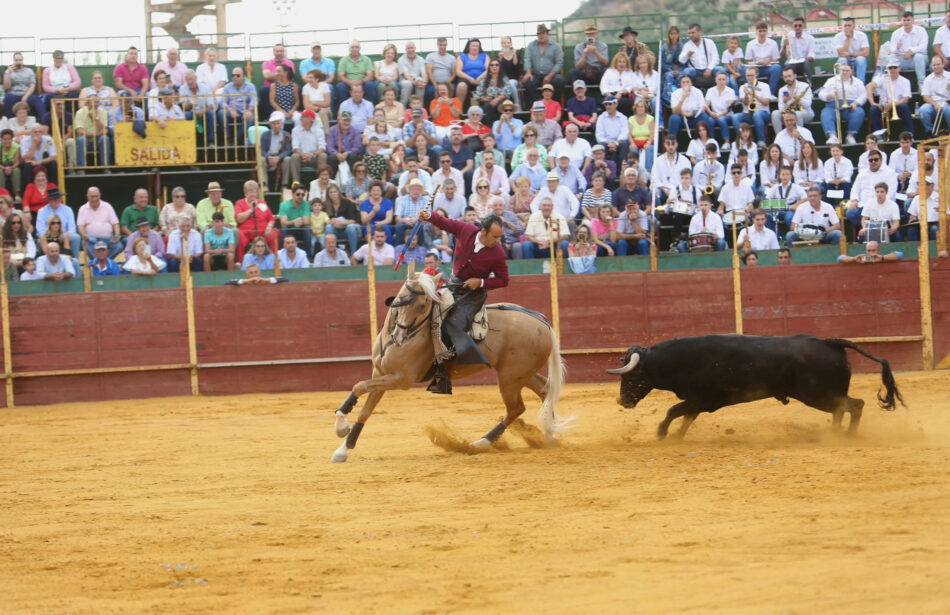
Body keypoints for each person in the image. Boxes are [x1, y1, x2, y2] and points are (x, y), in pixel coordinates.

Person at [417, 204, 509, 393]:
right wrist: (428, 216)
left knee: (453, 324)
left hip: (473, 295)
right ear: (483, 231)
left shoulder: (498, 252)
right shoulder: (466, 230)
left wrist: (481, 282)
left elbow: (504, 280)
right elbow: (444, 222)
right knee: (429, 311)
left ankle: (444, 377)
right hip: (454, 284)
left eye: (500, 237)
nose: (498, 241)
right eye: (495, 236)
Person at [818, 62, 866, 145]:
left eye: (847, 71)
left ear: (851, 71)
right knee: (825, 113)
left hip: (850, 107)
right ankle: (832, 137)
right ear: (840, 71)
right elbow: (821, 93)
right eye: (843, 70)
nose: (845, 73)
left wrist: (856, 103)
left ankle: (850, 136)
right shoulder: (831, 81)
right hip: (833, 106)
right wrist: (829, 96)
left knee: (859, 112)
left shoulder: (858, 82)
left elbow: (863, 95)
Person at [521, 24, 565, 106]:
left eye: (543, 33)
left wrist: (550, 76)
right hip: (535, 74)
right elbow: (527, 59)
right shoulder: (531, 45)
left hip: (552, 74)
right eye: (539, 34)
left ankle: (553, 104)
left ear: (547, 34)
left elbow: (559, 62)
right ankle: (539, 104)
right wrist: (528, 72)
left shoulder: (556, 46)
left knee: (559, 80)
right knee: (527, 82)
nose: (541, 36)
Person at [868, 58, 913, 134]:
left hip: (898, 106)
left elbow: (906, 99)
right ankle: (878, 135)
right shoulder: (882, 79)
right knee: (873, 110)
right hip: (884, 107)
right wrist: (873, 103)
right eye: (890, 68)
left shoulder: (905, 81)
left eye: (895, 67)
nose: (892, 70)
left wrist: (892, 104)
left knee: (905, 107)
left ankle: (909, 133)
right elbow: (869, 86)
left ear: (899, 69)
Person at [733, 66, 773, 147]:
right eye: (748, 75)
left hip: (763, 113)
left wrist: (754, 94)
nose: (750, 77)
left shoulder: (764, 86)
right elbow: (745, 103)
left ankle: (762, 140)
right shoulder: (743, 87)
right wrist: (746, 95)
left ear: (756, 75)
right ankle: (743, 140)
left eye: (752, 75)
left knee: (757, 114)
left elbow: (766, 102)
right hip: (748, 113)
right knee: (735, 117)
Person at [234, 180, 276, 257]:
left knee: (274, 233)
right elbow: (239, 219)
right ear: (245, 194)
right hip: (246, 232)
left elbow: (271, 218)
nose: (253, 194)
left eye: (255, 192)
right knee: (239, 235)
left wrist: (269, 226)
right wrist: (251, 210)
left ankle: (274, 259)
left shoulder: (262, 203)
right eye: (250, 192)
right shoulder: (239, 203)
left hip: (262, 232)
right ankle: (239, 262)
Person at [287, 109, 327, 189]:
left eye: (304, 117)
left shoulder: (319, 131)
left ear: (310, 119)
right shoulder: (295, 130)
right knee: (295, 156)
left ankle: (321, 181)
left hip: (314, 158)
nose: (301, 118)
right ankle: (296, 183)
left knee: (323, 156)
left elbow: (322, 147)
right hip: (301, 158)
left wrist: (313, 155)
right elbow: (295, 147)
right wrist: (303, 155)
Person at [77, 187, 122, 258]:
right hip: (91, 240)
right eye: (92, 197)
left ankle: (103, 262)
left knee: (118, 246)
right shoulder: (82, 209)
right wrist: (84, 235)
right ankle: (100, 263)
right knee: (85, 244)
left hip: (107, 239)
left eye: (96, 196)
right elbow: (80, 226)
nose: (94, 199)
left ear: (100, 196)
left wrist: (116, 236)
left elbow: (115, 224)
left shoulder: (107, 206)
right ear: (87, 197)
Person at [679, 23, 725, 88]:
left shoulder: (709, 42)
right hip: (695, 70)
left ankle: (724, 91)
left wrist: (709, 69)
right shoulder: (687, 45)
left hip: (709, 68)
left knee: (721, 70)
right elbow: (681, 60)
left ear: (700, 32)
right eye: (689, 33)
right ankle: (686, 92)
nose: (691, 35)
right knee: (687, 71)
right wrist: (687, 55)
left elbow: (716, 58)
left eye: (693, 33)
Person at [219, 67, 257, 145]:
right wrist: (230, 110)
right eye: (233, 75)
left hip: (245, 111)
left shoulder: (250, 86)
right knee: (221, 113)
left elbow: (254, 100)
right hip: (231, 111)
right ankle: (228, 139)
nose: (235, 77)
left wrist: (249, 111)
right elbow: (222, 102)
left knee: (251, 117)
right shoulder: (227, 87)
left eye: (238, 75)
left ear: (243, 76)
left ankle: (237, 139)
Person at [890, 11, 929, 86]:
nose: (906, 22)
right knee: (889, 58)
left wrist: (911, 51)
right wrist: (897, 48)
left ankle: (921, 84)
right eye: (904, 20)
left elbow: (924, 46)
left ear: (913, 21)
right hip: (903, 60)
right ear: (901, 21)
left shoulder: (921, 31)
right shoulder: (896, 33)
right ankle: (893, 84)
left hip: (918, 60)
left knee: (918, 57)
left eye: (908, 20)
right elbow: (892, 50)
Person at [772, 66, 814, 134]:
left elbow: (808, 104)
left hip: (806, 112)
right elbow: (781, 109)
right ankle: (779, 138)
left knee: (797, 114)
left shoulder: (805, 86)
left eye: (789, 76)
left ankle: (799, 137)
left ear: (795, 76)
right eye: (785, 77)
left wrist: (796, 98)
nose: (788, 79)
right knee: (775, 114)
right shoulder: (782, 90)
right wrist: (785, 101)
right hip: (789, 112)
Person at [258, 44, 296, 117]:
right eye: (277, 51)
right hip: (270, 87)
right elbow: (266, 76)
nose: (279, 53)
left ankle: (293, 113)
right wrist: (283, 75)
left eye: (281, 51)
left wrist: (272, 76)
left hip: (286, 87)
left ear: (284, 52)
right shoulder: (266, 63)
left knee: (299, 89)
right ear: (273, 52)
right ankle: (269, 116)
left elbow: (291, 77)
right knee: (263, 90)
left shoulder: (289, 63)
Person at [745, 22, 782, 94]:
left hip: (768, 68)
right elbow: (747, 61)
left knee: (777, 68)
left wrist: (769, 60)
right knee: (745, 70)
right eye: (760, 31)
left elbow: (776, 60)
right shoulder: (750, 44)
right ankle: (753, 91)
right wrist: (756, 62)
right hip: (755, 69)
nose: (762, 33)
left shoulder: (773, 43)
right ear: (756, 32)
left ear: (767, 32)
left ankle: (770, 93)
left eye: (764, 31)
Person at [336, 40, 377, 105]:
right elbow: (340, 76)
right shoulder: (344, 60)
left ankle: (370, 109)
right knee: (340, 86)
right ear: (349, 49)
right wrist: (349, 82)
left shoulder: (366, 59)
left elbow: (370, 75)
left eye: (356, 47)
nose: (354, 49)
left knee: (370, 85)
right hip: (348, 84)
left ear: (360, 48)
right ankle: (344, 111)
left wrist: (361, 81)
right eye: (352, 47)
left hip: (363, 83)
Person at [3, 52, 43, 119]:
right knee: (8, 97)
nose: (18, 62)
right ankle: (9, 124)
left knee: (37, 99)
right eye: (16, 60)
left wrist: (25, 96)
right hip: (13, 94)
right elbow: (7, 87)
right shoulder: (8, 71)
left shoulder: (29, 71)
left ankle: (44, 123)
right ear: (13, 61)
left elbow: (32, 86)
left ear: (22, 61)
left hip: (26, 94)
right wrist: (10, 73)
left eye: (20, 60)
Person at [278, 183, 313, 255]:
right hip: (289, 229)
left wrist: (299, 222)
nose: (300, 196)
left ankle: (309, 256)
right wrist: (293, 222)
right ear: (293, 194)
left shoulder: (306, 204)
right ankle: (282, 255)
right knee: (284, 229)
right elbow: (283, 222)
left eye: (303, 195)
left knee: (307, 228)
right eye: (298, 194)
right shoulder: (284, 205)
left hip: (301, 229)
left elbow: (306, 221)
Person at [704, 72, 738, 148]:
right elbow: (706, 105)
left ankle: (727, 142)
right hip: (714, 114)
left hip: (727, 115)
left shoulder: (731, 91)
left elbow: (729, 108)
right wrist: (711, 113)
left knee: (721, 120)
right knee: (709, 120)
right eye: (719, 79)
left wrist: (720, 115)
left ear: (726, 81)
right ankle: (711, 141)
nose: (721, 81)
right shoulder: (710, 90)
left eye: (723, 79)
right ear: (715, 80)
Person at [326, 110, 363, 176]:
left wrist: (347, 153)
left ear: (351, 121)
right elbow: (329, 147)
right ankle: (331, 180)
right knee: (332, 158)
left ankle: (354, 180)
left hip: (349, 154)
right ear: (340, 120)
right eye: (344, 120)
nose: (346, 123)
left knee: (353, 157)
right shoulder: (332, 130)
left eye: (348, 120)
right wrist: (337, 154)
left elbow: (358, 147)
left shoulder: (356, 132)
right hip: (337, 154)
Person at [919, 55, 950, 134]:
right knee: (923, 110)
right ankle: (930, 132)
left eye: (938, 64)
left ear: (943, 64)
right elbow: (925, 97)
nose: (936, 67)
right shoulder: (928, 79)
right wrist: (935, 104)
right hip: (934, 105)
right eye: (934, 65)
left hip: (947, 103)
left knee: (947, 109)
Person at [595, 96, 628, 165]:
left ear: (616, 104)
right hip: (606, 143)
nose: (608, 107)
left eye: (610, 104)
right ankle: (602, 169)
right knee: (601, 145)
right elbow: (599, 135)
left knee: (624, 143)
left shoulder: (623, 118)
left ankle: (623, 169)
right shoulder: (601, 118)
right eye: (606, 104)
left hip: (619, 143)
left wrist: (615, 143)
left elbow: (624, 134)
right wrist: (609, 144)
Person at [906, 176, 941, 241]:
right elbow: (912, 215)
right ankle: (914, 250)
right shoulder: (916, 198)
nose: (925, 186)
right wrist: (912, 219)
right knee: (911, 230)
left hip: (936, 225)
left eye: (927, 184)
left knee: (934, 229)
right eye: (922, 184)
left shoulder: (940, 198)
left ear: (933, 185)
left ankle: (935, 250)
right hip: (921, 225)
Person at [454, 38, 488, 105]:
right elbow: (458, 71)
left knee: (489, 84)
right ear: (468, 47)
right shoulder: (462, 56)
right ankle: (459, 109)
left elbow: (488, 70)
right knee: (461, 86)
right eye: (473, 46)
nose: (475, 48)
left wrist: (480, 78)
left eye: (477, 46)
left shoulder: (485, 56)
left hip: (481, 79)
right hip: (465, 79)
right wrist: (470, 78)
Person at [426, 37, 458, 101]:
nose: (443, 47)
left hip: (448, 83)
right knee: (430, 91)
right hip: (435, 83)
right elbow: (429, 72)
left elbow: (454, 73)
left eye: (444, 45)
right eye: (441, 45)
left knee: (454, 89)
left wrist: (449, 81)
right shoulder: (430, 56)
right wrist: (435, 85)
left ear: (446, 45)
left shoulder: (452, 58)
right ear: (437, 45)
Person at [302, 69, 333, 135]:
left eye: (311, 78)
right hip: (312, 111)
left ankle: (326, 135)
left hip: (326, 112)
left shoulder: (324, 86)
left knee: (322, 113)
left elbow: (327, 103)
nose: (308, 79)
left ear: (317, 79)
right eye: (308, 77)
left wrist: (313, 102)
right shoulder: (305, 87)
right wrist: (319, 108)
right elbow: (306, 106)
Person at [397, 41, 427, 107]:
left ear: (415, 49)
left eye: (412, 48)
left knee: (420, 80)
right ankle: (402, 107)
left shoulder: (421, 59)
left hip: (417, 80)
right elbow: (406, 74)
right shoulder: (401, 59)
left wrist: (424, 82)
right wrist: (414, 82)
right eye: (408, 48)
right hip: (405, 80)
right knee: (408, 83)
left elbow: (424, 73)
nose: (410, 50)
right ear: (405, 50)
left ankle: (420, 108)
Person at [838, 240, 902, 263]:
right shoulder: (863, 258)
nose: (871, 252)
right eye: (869, 250)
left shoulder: (881, 257)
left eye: (873, 250)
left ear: (878, 250)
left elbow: (900, 254)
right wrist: (854, 259)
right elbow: (840, 258)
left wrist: (882, 258)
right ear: (866, 251)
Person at [0, 129, 21, 200]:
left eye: (9, 139)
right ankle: (1, 194)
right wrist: (4, 168)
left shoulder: (16, 147)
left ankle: (17, 194)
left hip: (13, 166)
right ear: (1, 139)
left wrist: (10, 168)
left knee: (16, 171)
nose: (7, 141)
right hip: (2, 166)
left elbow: (17, 162)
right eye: (5, 139)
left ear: (12, 139)